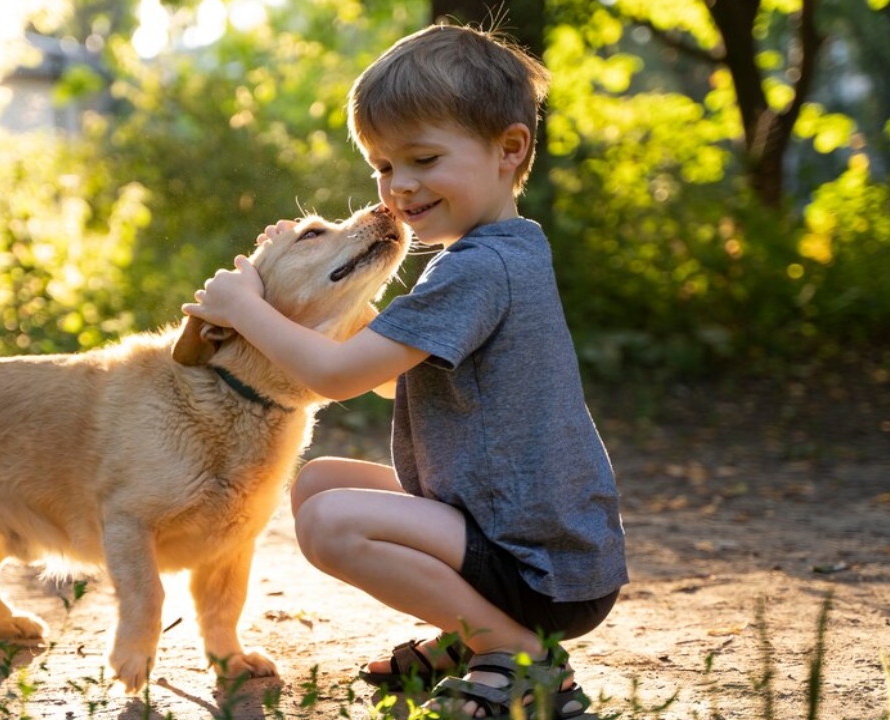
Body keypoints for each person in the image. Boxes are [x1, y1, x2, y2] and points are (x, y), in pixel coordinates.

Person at [181, 23, 627, 720]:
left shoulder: (479, 270)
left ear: (510, 149)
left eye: (422, 159)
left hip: (541, 568)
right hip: (532, 535)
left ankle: (520, 659)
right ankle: (470, 637)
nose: (399, 188)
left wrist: (245, 310)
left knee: (330, 525)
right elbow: (393, 373)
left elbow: (336, 377)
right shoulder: (502, 251)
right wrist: (292, 280)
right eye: (384, 167)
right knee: (320, 479)